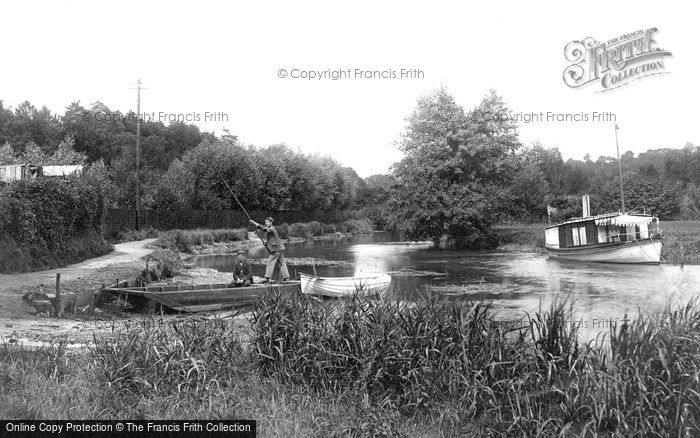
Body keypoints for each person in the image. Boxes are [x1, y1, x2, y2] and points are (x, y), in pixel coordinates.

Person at [249, 216, 289, 283]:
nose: (266, 223)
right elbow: (272, 239)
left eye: (267, 222)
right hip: (280, 248)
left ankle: (267, 278)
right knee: (282, 263)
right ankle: (286, 278)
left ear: (271, 222)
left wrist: (254, 223)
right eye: (265, 222)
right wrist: (266, 243)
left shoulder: (272, 228)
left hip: (276, 249)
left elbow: (264, 229)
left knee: (270, 261)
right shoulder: (270, 228)